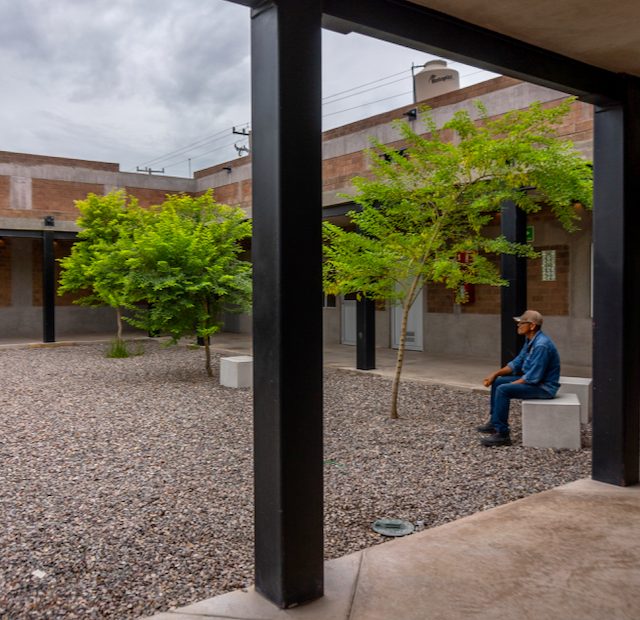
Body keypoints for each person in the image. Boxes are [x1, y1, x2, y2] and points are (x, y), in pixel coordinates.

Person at [477, 310, 560, 447]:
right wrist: (495, 374)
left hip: (544, 387)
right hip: (535, 381)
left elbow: (532, 378)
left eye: (521, 323)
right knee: (498, 382)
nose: (518, 325)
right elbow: (516, 363)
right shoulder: (530, 340)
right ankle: (494, 422)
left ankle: (502, 434)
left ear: (532, 326)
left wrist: (511, 385)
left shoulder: (541, 345)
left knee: (503, 389)